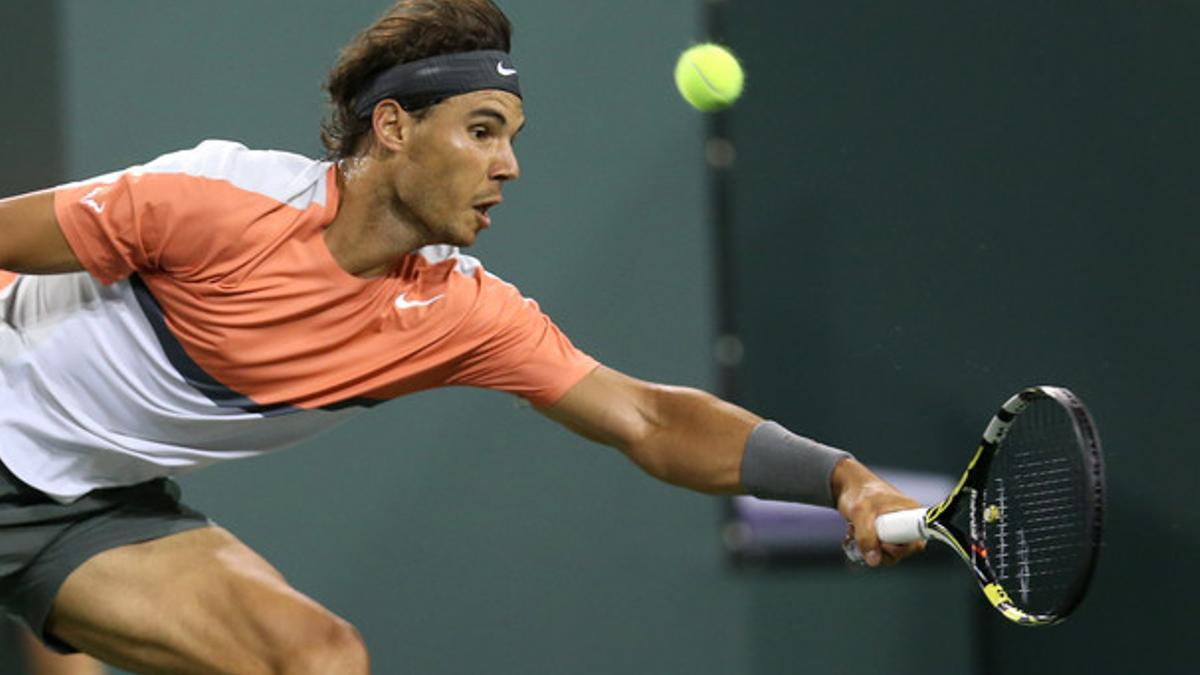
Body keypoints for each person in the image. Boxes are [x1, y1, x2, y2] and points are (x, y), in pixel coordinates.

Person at [0, 1, 922, 672]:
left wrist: (837, 476)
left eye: (512, 137)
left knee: (316, 660)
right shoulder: (213, 202)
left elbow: (646, 418)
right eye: (482, 131)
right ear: (393, 127)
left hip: (82, 509)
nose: (508, 165)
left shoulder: (461, 312)